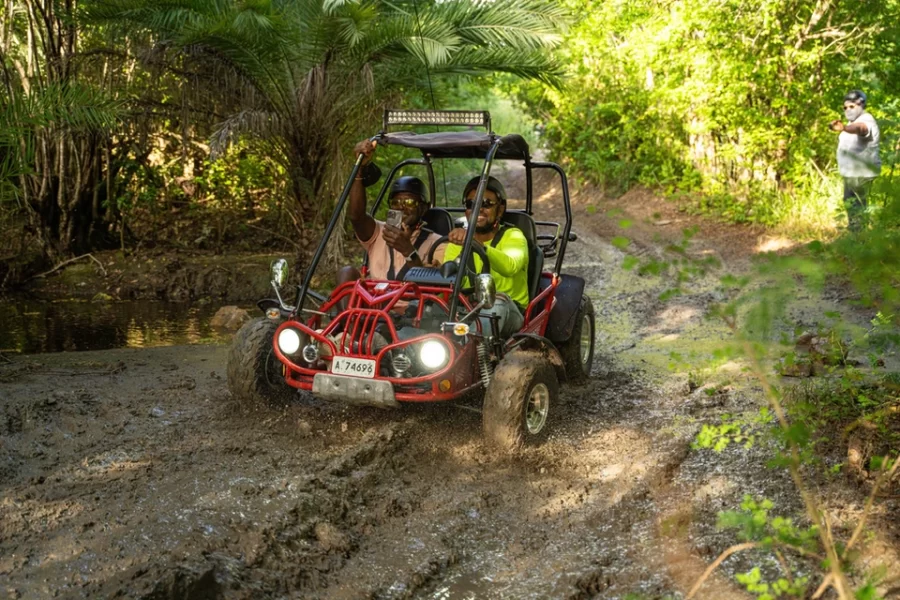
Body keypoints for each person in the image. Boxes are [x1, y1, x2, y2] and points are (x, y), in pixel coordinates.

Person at [339, 140, 444, 288]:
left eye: (409, 203)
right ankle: (347, 312)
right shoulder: (380, 231)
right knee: (347, 272)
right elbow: (356, 216)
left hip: (411, 308)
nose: (401, 208)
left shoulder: (438, 243)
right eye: (396, 203)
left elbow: (430, 287)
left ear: (423, 208)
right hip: (375, 305)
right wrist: (359, 169)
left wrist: (408, 250)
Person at [443, 175, 528, 338]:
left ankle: (467, 352)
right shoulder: (457, 241)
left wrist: (477, 244)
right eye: (471, 204)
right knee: (422, 306)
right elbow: (452, 283)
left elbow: (510, 266)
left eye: (486, 204)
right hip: (467, 309)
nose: (478, 209)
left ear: (500, 209)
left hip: (508, 310)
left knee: (494, 308)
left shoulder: (514, 236)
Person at [830, 90, 881, 232]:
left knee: (857, 205)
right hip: (852, 173)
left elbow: (861, 129)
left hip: (861, 173)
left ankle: (859, 239)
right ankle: (856, 236)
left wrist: (845, 128)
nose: (848, 110)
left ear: (861, 104)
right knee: (850, 203)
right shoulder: (853, 122)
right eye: (845, 107)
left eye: (851, 106)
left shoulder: (866, 120)